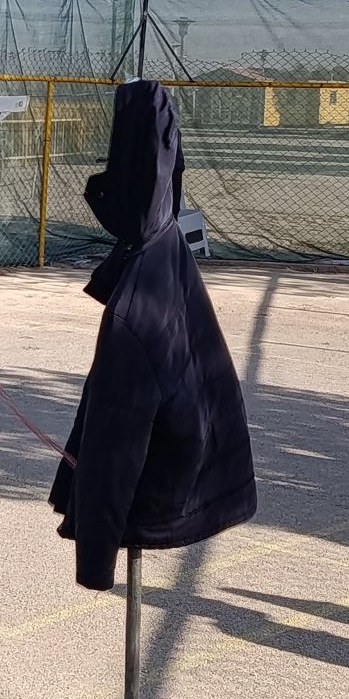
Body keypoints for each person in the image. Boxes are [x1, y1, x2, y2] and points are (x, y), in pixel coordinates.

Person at [48, 78, 255, 589]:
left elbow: (114, 447)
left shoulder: (138, 308)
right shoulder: (165, 253)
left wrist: (95, 561)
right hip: (197, 472)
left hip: (165, 490)